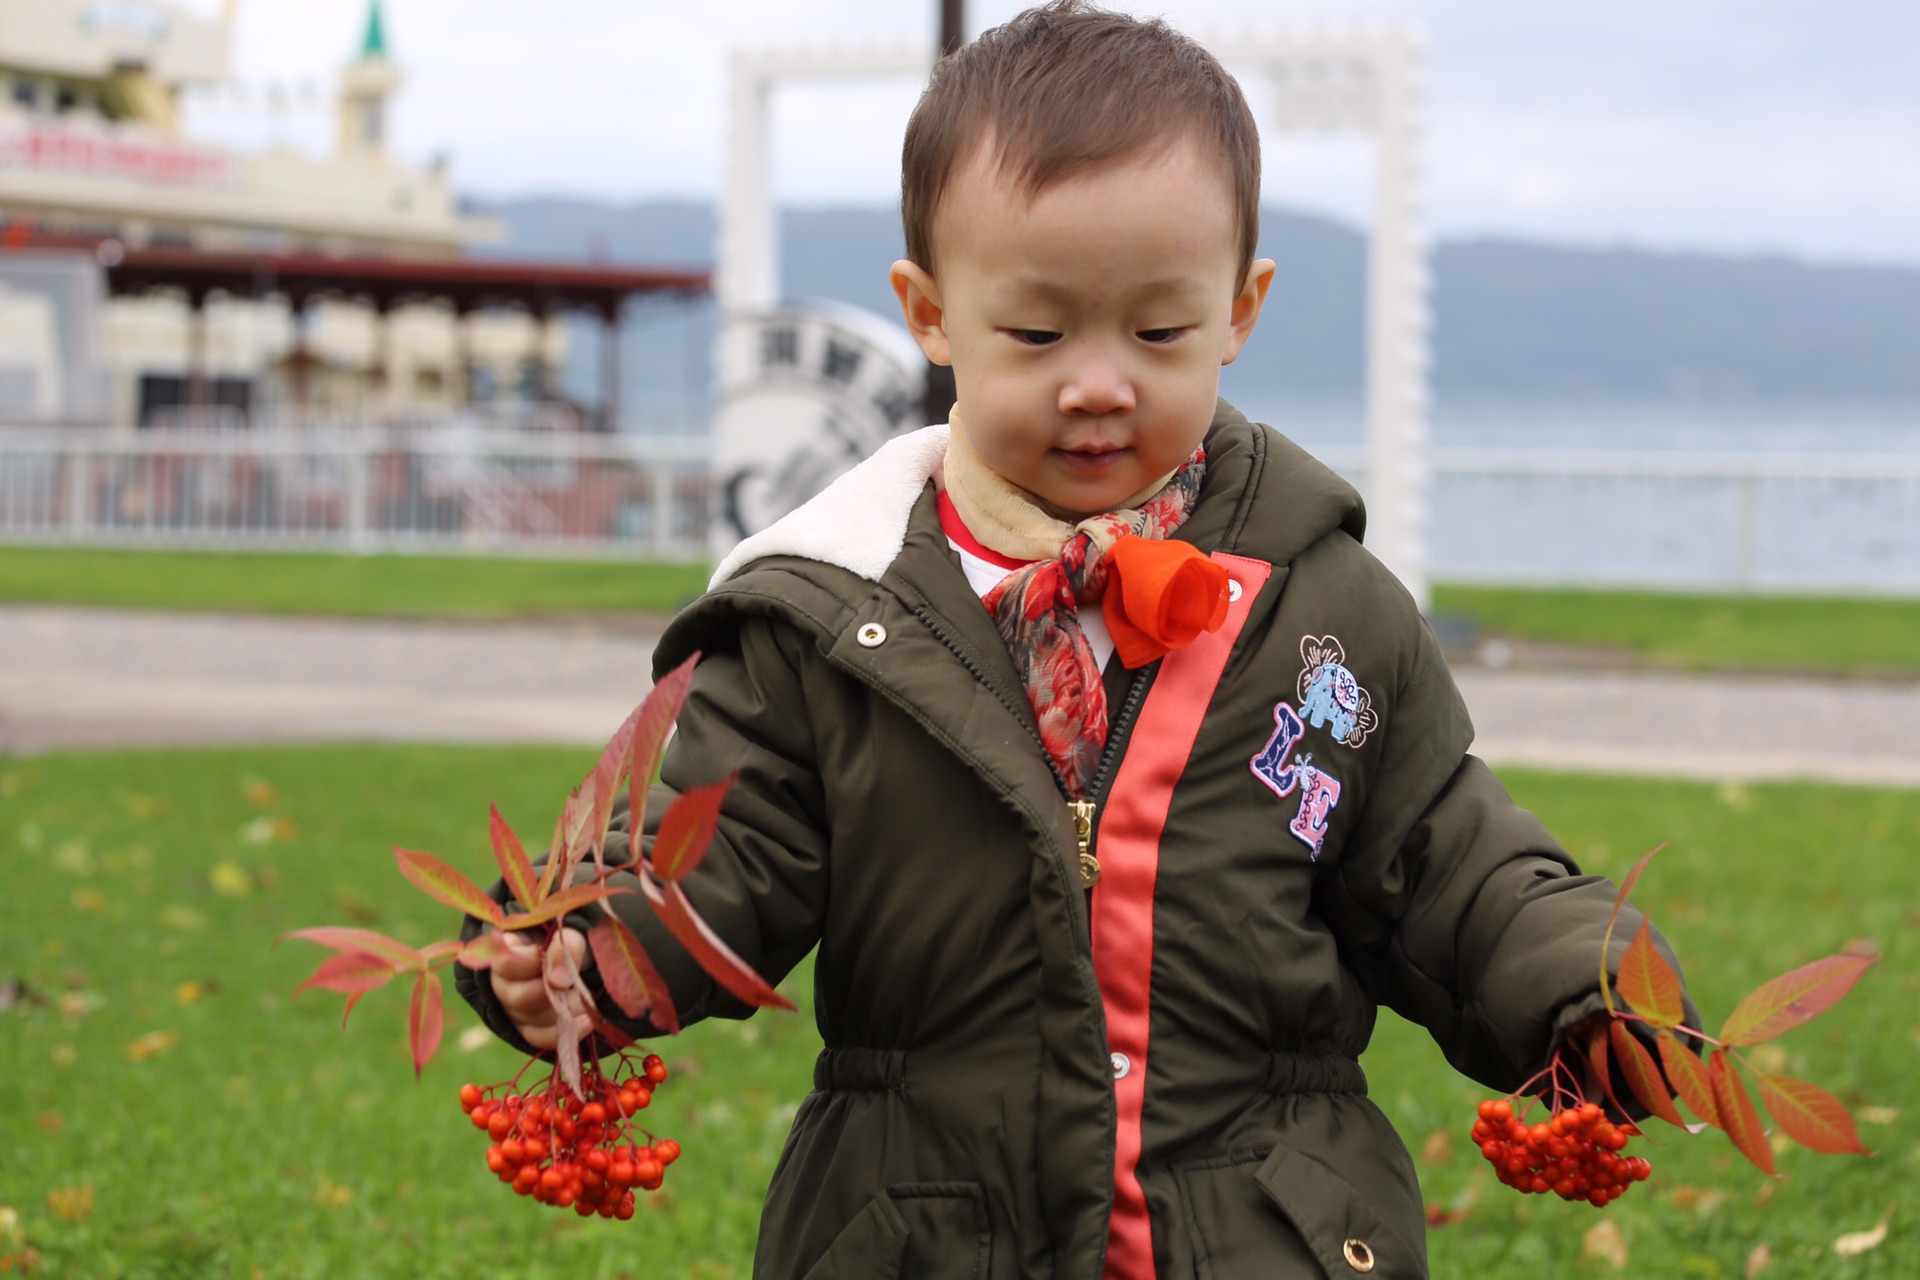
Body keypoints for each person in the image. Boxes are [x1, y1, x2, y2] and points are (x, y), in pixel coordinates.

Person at [460, 4, 1688, 1276]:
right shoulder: (826, 612)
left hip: (1260, 1229)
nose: (1098, 382)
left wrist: (1586, 987)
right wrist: (579, 947)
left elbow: (1440, 856)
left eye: (1158, 332)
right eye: (1037, 333)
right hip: (918, 1228)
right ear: (931, 314)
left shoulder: (1324, 610)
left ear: (1240, 310)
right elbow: (720, 848)